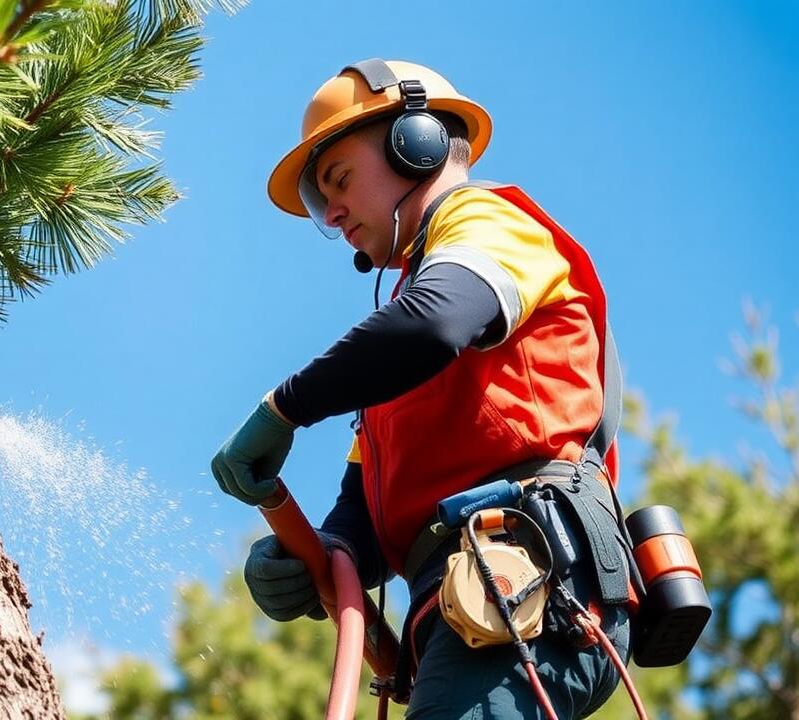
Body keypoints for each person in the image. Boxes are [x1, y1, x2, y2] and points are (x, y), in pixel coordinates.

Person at [210, 59, 633, 718]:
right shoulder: (396, 357)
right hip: (479, 601)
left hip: (531, 582)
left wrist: (284, 408)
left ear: (418, 142)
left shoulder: (488, 225)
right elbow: (364, 518)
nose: (335, 212)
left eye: (340, 181)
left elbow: (436, 322)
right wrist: (314, 556)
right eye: (323, 204)